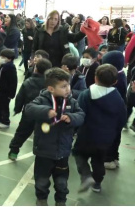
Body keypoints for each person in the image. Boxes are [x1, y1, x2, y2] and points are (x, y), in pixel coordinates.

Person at [25, 68, 85, 206]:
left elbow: (81, 116)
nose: (68, 89)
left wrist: (71, 118)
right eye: (63, 86)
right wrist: (46, 111)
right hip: (44, 151)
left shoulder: (71, 101)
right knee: (41, 180)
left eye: (68, 85)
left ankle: (61, 201)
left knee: (62, 181)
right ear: (51, 88)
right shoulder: (42, 99)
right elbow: (29, 109)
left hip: (63, 151)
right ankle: (41, 199)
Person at [74, 64, 126, 193]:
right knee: (99, 160)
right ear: (115, 81)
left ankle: (86, 176)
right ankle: (97, 183)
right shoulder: (118, 98)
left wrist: (74, 130)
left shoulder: (86, 94)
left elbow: (79, 114)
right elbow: (122, 119)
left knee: (79, 154)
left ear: (95, 78)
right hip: (106, 138)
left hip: (87, 135)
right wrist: (113, 133)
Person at [8, 58, 52, 160]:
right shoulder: (51, 84)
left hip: (29, 113)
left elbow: (20, 97)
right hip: (45, 114)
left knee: (22, 132)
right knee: (43, 135)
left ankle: (14, 151)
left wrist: (17, 109)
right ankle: (42, 155)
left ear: (35, 69)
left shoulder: (28, 82)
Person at [0, 49, 18, 129]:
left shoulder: (11, 68)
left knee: (4, 107)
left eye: (3, 57)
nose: (0, 58)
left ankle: (5, 121)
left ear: (9, 59)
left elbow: (13, 82)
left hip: (5, 92)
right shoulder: (1, 66)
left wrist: (11, 94)